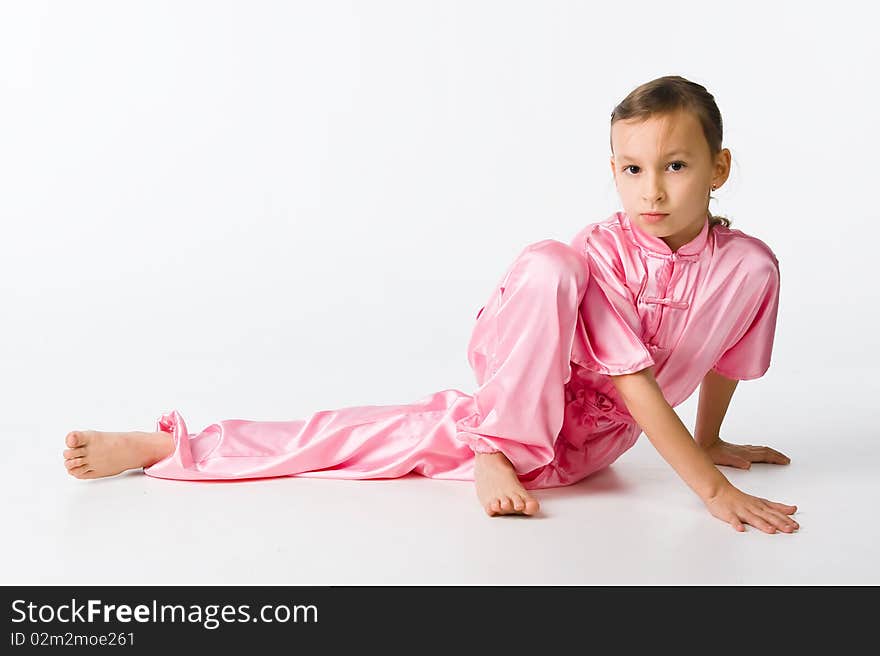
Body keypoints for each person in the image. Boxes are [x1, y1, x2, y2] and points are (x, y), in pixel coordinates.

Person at [62, 75, 799, 534]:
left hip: (587, 454)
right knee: (345, 437)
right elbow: (633, 378)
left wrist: (709, 441)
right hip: (514, 407)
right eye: (633, 170)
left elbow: (725, 358)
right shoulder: (600, 248)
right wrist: (709, 490)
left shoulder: (751, 269)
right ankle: (166, 445)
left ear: (718, 167)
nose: (654, 191)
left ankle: (502, 454)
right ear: (613, 171)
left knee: (361, 441)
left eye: (675, 166)